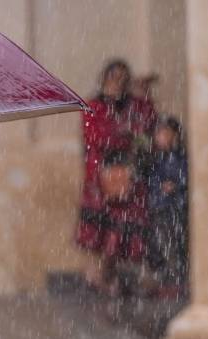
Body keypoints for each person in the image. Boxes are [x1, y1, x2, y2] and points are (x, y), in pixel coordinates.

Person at [76, 58, 158, 295]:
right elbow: (97, 137)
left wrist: (144, 95)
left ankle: (115, 278)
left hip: (128, 174)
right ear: (105, 79)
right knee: (101, 233)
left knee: (125, 230)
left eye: (123, 78)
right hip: (101, 176)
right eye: (114, 78)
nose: (118, 83)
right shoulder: (94, 105)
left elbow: (146, 124)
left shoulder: (135, 105)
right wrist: (125, 135)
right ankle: (101, 276)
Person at [146, 116, 189, 297]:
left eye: (164, 133)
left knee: (176, 244)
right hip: (160, 206)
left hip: (176, 206)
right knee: (161, 243)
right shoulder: (156, 159)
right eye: (158, 133)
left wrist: (176, 185)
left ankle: (177, 279)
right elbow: (151, 178)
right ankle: (167, 278)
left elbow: (186, 175)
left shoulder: (180, 157)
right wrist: (158, 187)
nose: (160, 137)